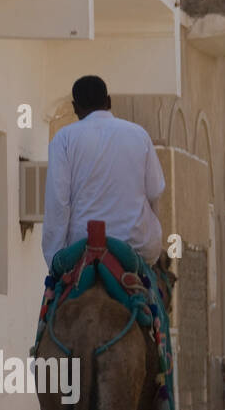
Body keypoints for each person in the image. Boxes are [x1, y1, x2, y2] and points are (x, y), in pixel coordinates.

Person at [42, 75, 165, 268]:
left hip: (82, 246)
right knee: (154, 292)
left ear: (75, 107)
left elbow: (58, 202)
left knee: (54, 296)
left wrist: (55, 261)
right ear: (108, 101)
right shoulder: (138, 135)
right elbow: (154, 191)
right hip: (134, 246)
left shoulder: (64, 139)